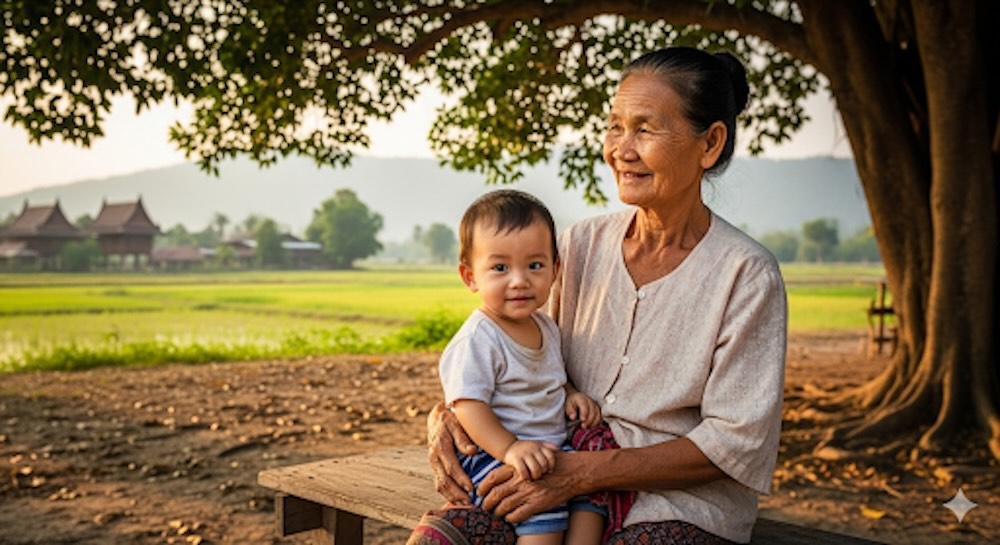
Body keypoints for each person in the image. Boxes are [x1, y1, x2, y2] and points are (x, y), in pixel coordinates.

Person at [408, 45, 787, 545]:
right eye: (614, 126)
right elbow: (510, 354)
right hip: (543, 476)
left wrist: (583, 473)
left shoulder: (746, 274)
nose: (620, 149)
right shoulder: (580, 245)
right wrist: (445, 417)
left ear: (710, 143)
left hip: (674, 506)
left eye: (645, 129)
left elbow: (734, 442)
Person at [437, 189, 612, 545]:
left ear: (555, 270)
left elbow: (548, 377)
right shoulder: (479, 338)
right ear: (470, 276)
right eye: (500, 268)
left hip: (548, 449)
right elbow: (467, 405)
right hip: (494, 455)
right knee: (543, 518)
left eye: (534, 265)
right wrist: (510, 448)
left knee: (593, 503)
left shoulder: (544, 326)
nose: (519, 280)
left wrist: (570, 395)